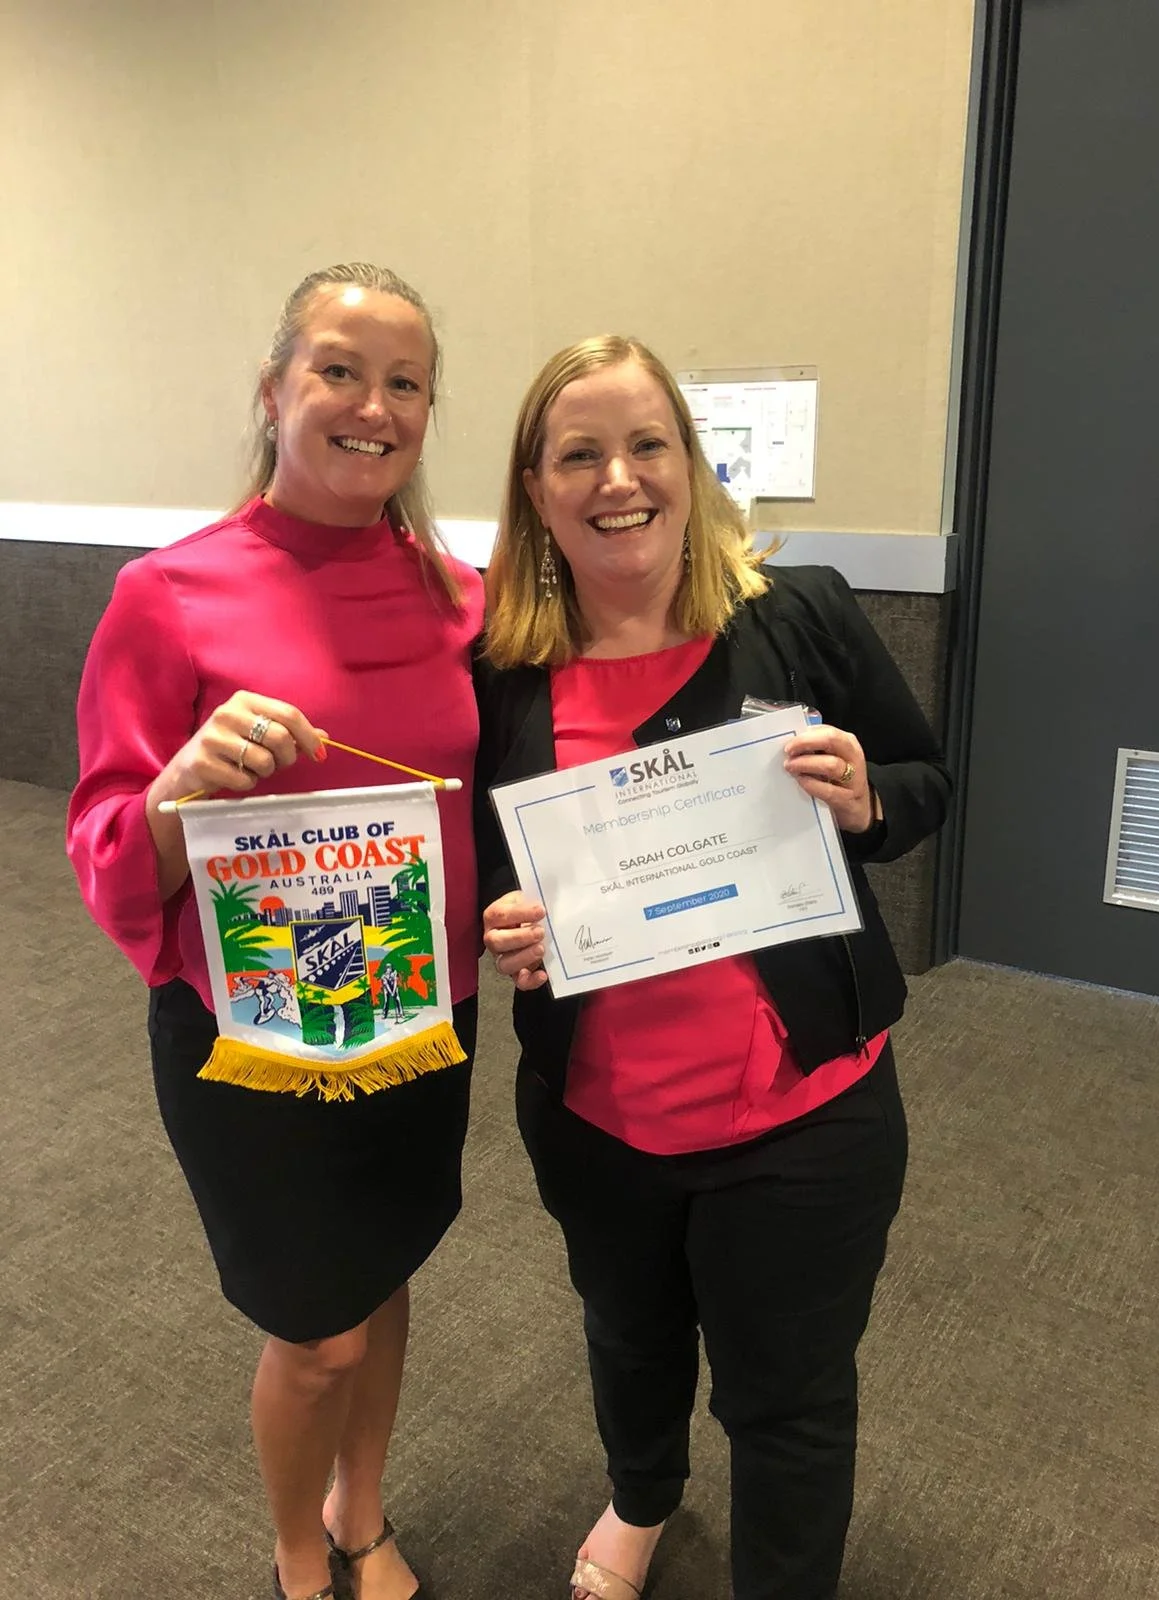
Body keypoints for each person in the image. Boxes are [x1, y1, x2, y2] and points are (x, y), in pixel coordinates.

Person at [476, 336, 951, 1600]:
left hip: (805, 1113)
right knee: (627, 1338)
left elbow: (924, 780)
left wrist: (864, 804)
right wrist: (502, 920)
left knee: (786, 1396)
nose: (618, 478)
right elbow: (486, 867)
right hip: (598, 1116)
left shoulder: (799, 614)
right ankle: (641, 1497)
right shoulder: (501, 668)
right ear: (536, 487)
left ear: (690, 464)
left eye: (647, 445)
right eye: (580, 453)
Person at [67, 264, 484, 1600]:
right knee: (317, 1336)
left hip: (420, 1006)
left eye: (404, 382)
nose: (374, 405)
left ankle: (364, 1513)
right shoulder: (169, 593)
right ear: (275, 389)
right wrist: (182, 783)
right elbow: (102, 839)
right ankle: (301, 1556)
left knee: (387, 1267)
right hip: (249, 1030)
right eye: (339, 371)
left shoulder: (458, 597)